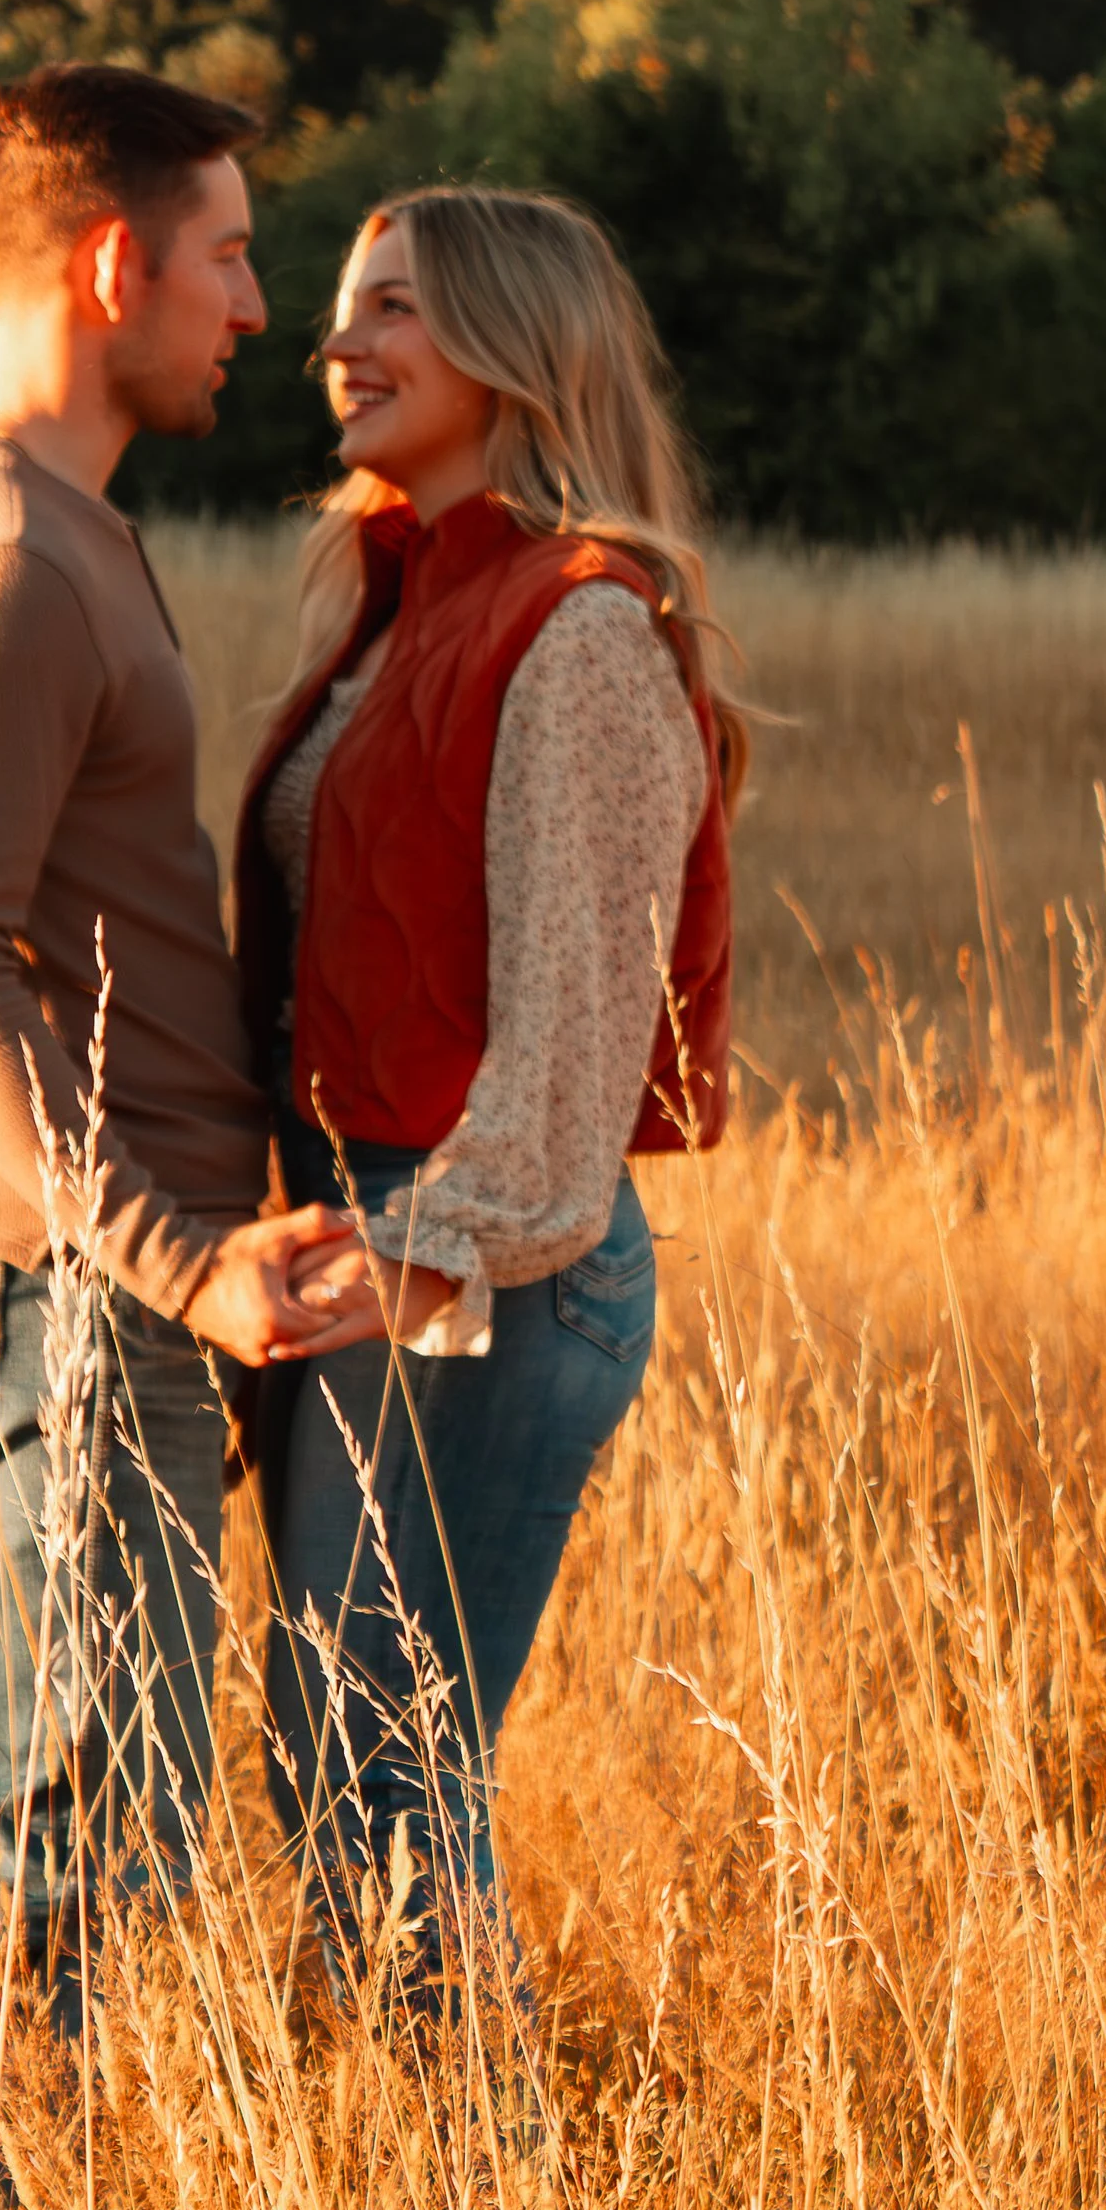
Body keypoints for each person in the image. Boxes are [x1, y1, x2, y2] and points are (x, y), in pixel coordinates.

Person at [0, 64, 357, 2072]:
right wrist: (177, 1259)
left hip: (102, 1284)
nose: (257, 309)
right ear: (116, 261)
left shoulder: (57, 528)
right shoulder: (1, 563)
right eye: (229, 258)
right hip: (56, 1287)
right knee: (66, 1842)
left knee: (104, 1822)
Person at [232, 185, 747, 2021]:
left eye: (393, 310)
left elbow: (574, 1041)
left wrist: (424, 1252)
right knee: (343, 1758)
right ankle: (438, 2206)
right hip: (380, 1229)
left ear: (517, 349)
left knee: (380, 1767)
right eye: (336, 311)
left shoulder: (584, 630)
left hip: (484, 1265)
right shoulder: (403, 595)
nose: (338, 344)